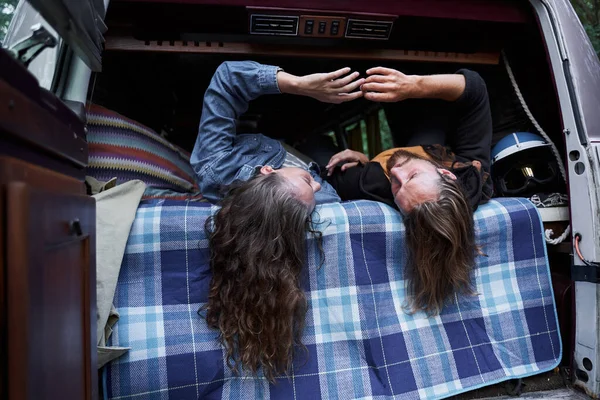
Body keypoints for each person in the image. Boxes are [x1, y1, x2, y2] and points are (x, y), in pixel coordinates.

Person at [190, 61, 364, 382]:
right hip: (316, 144)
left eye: (308, 181)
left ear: (266, 170)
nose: (318, 185)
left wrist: (300, 84)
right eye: (313, 185)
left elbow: (227, 77)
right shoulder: (325, 202)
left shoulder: (216, 166)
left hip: (284, 122)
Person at [326, 67, 493, 316]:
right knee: (435, 115)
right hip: (429, 137)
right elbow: (476, 89)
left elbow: (325, 175)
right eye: (413, 177)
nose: (397, 174)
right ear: (446, 174)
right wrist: (413, 85)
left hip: (370, 161)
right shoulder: (472, 173)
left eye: (398, 188)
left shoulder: (373, 183)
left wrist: (366, 160)